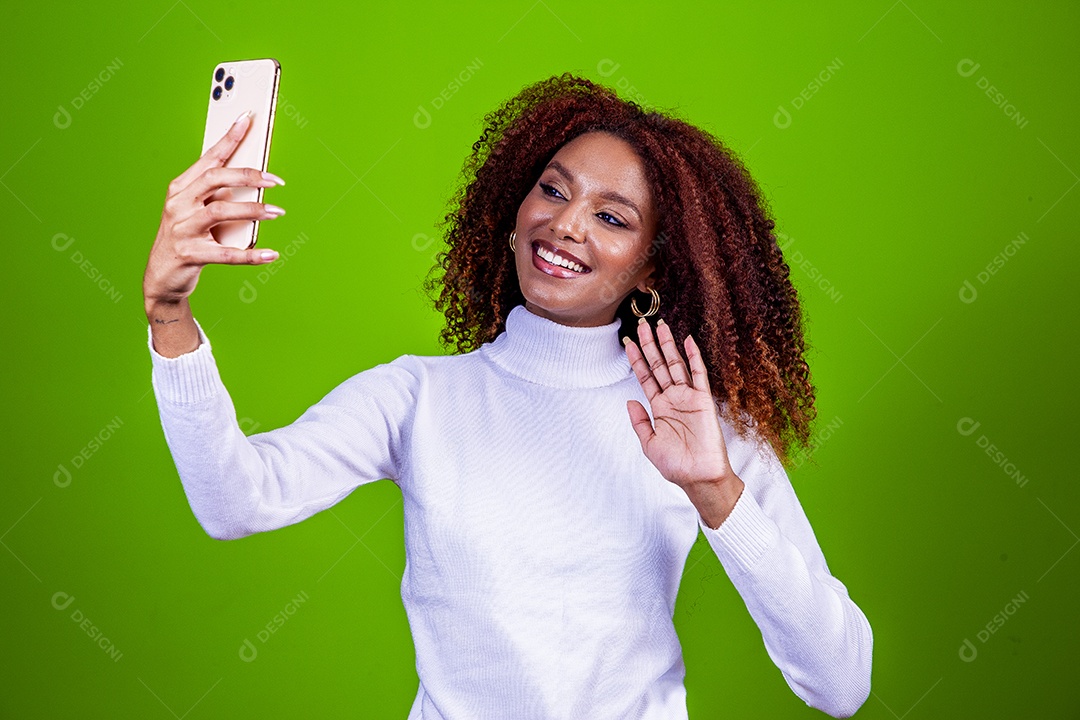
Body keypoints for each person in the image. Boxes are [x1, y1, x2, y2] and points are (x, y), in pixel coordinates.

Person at [143, 73, 872, 719]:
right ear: (514, 205)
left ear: (653, 269)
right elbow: (234, 502)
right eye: (553, 189)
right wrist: (169, 315)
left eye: (612, 217)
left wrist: (715, 491)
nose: (565, 224)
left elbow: (841, 684)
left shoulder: (697, 427)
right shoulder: (419, 397)